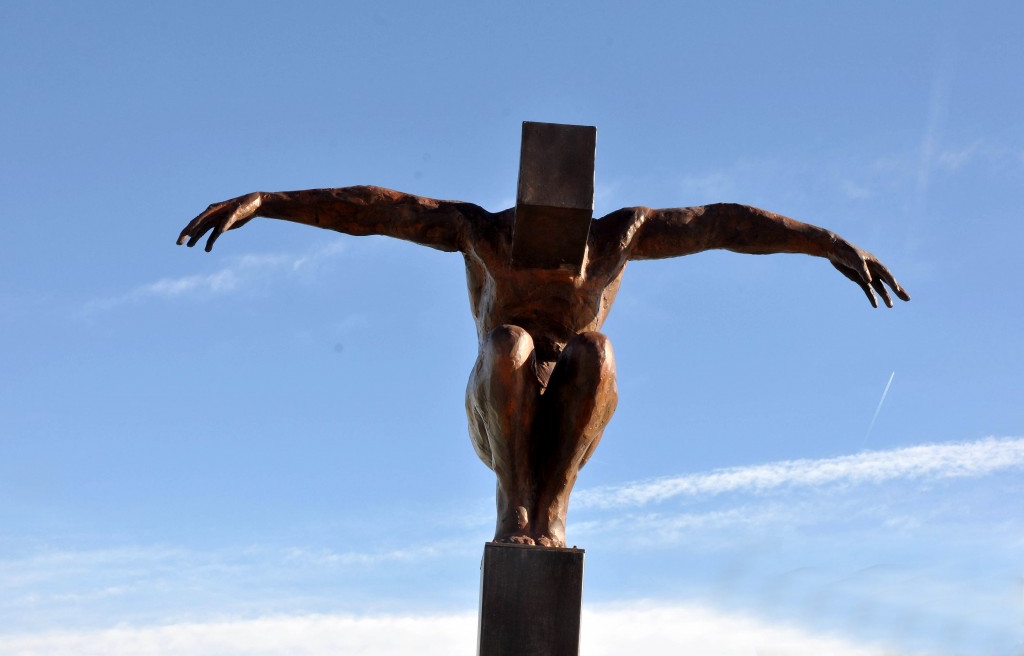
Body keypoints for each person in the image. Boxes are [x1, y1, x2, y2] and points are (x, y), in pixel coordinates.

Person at [178, 185, 909, 547]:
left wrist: (828, 243)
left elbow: (726, 226)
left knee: (595, 349)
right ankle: (515, 504)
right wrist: (270, 203)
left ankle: (551, 508)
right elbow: (377, 211)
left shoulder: (622, 235)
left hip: (575, 407)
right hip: (498, 407)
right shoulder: (480, 231)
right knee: (511, 344)